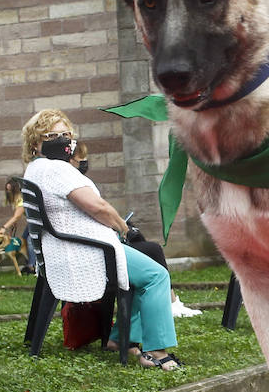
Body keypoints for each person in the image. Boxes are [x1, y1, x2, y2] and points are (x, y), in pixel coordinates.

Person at [21, 108, 183, 370]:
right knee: (156, 276)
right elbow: (97, 207)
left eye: (66, 134)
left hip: (70, 247)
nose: (62, 140)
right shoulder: (56, 170)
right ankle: (155, 351)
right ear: (35, 143)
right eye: (52, 135)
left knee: (148, 260)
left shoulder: (36, 168)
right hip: (87, 251)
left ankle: (119, 339)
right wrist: (123, 228)